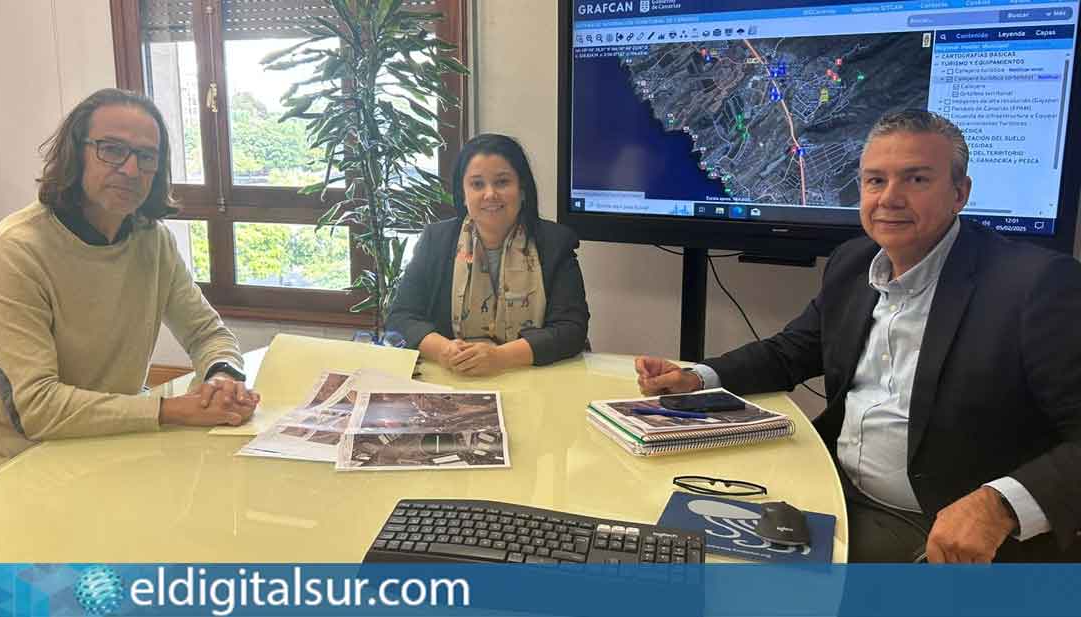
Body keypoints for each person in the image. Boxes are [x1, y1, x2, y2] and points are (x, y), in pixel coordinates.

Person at [636, 110, 1081, 563]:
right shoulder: (854, 262)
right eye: (875, 181)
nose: (890, 198)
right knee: (667, 539)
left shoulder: (1036, 286)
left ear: (960, 194)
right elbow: (793, 351)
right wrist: (697, 377)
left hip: (942, 526)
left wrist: (1000, 504)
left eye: (917, 180)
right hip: (832, 485)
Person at [0, 88, 259, 476]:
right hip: (17, 469)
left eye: (146, 156)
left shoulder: (152, 240)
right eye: (112, 149)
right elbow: (37, 409)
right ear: (74, 153)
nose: (131, 170)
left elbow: (207, 333)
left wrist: (222, 376)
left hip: (114, 448)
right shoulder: (9, 254)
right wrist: (172, 410)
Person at [387, 133, 589, 376]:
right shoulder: (436, 240)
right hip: (456, 377)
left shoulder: (555, 242)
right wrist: (444, 350)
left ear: (522, 189)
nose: (490, 194)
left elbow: (572, 330)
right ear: (463, 193)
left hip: (532, 377)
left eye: (502, 182)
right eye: (477, 184)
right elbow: (401, 316)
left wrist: (501, 357)